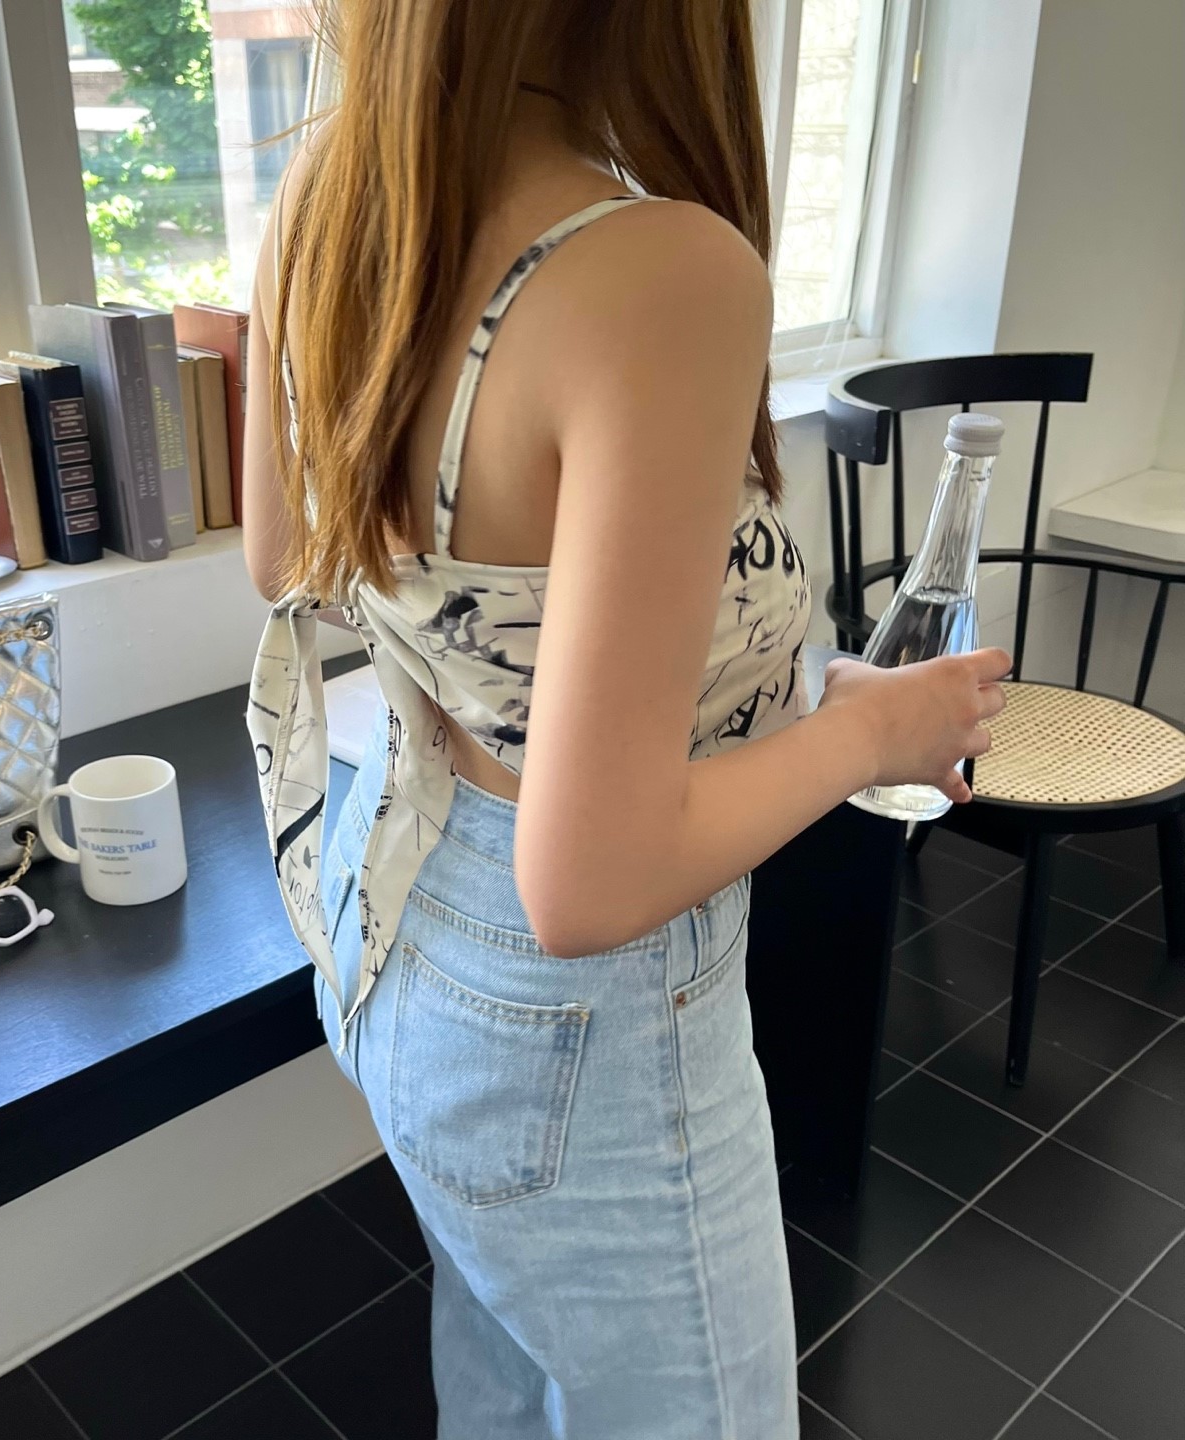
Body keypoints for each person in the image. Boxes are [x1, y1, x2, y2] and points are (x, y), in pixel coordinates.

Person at [243, 3, 1009, 1435]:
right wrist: (866, 736)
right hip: (576, 1023)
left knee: (507, 1375)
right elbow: (589, 883)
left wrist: (788, 696)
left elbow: (289, 562)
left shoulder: (330, 192)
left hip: (393, 918)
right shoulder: (658, 271)